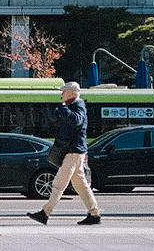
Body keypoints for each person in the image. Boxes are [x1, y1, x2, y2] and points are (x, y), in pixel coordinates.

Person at [27, 81, 101, 226]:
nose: (61, 94)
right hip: (74, 152)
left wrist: (63, 109)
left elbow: (75, 121)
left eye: (64, 91)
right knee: (81, 186)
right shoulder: (73, 106)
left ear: (72, 93)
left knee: (58, 184)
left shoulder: (78, 105)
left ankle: (45, 213)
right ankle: (94, 214)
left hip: (73, 152)